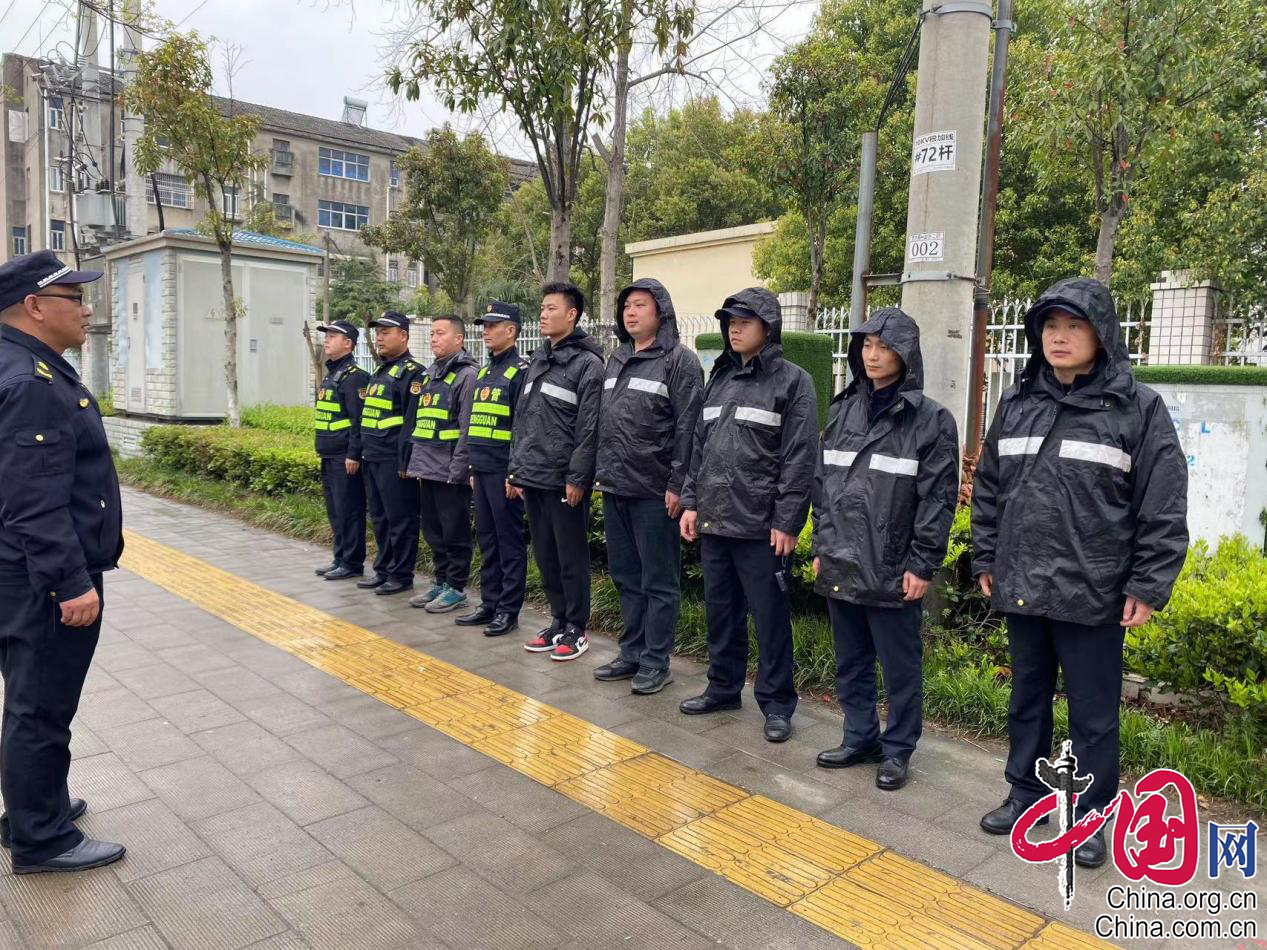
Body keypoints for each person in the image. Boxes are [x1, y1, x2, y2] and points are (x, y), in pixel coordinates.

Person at [972, 277, 1188, 868]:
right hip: (1023, 582)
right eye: (1050, 326)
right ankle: (1025, 794)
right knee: (1027, 699)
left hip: (1094, 588)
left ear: (1102, 335)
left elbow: (1162, 503)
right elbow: (989, 488)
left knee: (1093, 714)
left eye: (1073, 326)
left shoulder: (1137, 408)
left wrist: (1148, 583)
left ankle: (1092, 817)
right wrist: (985, 555)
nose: (1059, 337)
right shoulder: (1017, 403)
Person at [0, 250, 126, 873]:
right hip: (39, 578)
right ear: (34, 307)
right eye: (74, 298)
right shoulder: (31, 382)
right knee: (41, 707)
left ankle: (34, 807)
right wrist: (70, 583)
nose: (86, 309)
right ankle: (41, 839)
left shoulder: (19, 366)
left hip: (17, 569)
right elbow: (34, 500)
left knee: (30, 700)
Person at [811, 308, 959, 791]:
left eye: (885, 346)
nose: (873, 355)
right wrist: (821, 545)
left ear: (906, 353)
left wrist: (923, 562)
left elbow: (937, 499)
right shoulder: (843, 410)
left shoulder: (931, 420)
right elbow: (823, 484)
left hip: (893, 564)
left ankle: (897, 749)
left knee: (900, 667)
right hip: (841, 557)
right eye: (867, 345)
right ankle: (859, 736)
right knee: (850, 659)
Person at [679, 288, 817, 742]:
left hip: (761, 526)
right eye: (730, 322)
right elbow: (699, 446)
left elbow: (799, 457)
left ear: (768, 328)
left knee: (770, 618)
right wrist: (691, 502)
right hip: (716, 519)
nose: (734, 330)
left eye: (744, 322)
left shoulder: (792, 382)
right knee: (721, 612)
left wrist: (787, 521)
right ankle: (722, 687)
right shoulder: (719, 378)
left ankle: (777, 704)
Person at [593, 279, 702, 694]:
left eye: (640, 305)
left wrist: (678, 484)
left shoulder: (679, 361)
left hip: (655, 492)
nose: (631, 312)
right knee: (626, 576)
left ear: (661, 312)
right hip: (616, 486)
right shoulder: (617, 358)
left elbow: (689, 428)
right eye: (627, 306)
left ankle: (657, 661)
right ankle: (632, 652)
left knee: (659, 581)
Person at [507, 282, 604, 661]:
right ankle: (558, 620)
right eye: (542, 308)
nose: (543, 314)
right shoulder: (538, 360)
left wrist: (578, 478)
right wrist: (515, 471)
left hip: (564, 480)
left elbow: (589, 428)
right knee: (546, 555)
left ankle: (576, 627)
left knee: (570, 557)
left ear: (572, 314)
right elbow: (523, 419)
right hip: (533, 477)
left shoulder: (588, 365)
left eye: (551, 308)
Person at [455, 302, 530, 637]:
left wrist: (515, 473)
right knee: (486, 539)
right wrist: (472, 467)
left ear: (511, 331)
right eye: (484, 326)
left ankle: (508, 610)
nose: (485, 331)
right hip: (482, 470)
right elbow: (476, 424)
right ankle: (489, 602)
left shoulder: (520, 371)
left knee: (508, 542)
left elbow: (522, 428)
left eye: (492, 325)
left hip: (504, 474)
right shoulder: (485, 372)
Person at [404, 316, 479, 614]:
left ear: (459, 339)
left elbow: (466, 428)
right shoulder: (430, 373)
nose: (434, 338)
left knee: (454, 532)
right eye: (432, 333)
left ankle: (456, 587)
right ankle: (441, 580)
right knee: (433, 531)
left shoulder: (467, 376)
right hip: (427, 467)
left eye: (440, 333)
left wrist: (458, 470)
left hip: (449, 471)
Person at [357, 311, 424, 595]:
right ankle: (383, 568)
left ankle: (401, 574)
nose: (379, 338)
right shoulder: (380, 372)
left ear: (404, 336)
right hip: (372, 456)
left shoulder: (413, 373)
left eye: (386, 332)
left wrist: (405, 460)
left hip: (393, 460)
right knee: (380, 518)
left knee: (400, 519)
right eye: (377, 333)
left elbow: (410, 421)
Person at [313, 320, 368, 581]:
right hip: (328, 453)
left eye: (333, 336)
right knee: (335, 510)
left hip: (344, 455)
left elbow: (358, 420)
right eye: (327, 335)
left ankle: (352, 562)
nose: (327, 339)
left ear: (348, 343)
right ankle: (340, 557)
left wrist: (353, 454)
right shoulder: (332, 373)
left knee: (349, 510)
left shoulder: (354, 376)